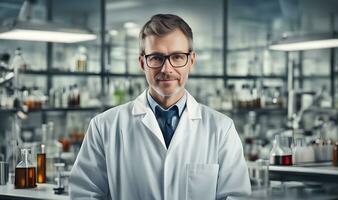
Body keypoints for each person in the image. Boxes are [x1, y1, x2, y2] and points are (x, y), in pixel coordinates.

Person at [69, 14, 251, 200]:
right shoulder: (104, 126)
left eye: (178, 57)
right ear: (142, 62)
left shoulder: (221, 129)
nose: (166, 69)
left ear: (191, 61)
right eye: (156, 58)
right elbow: (84, 194)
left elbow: (235, 196)